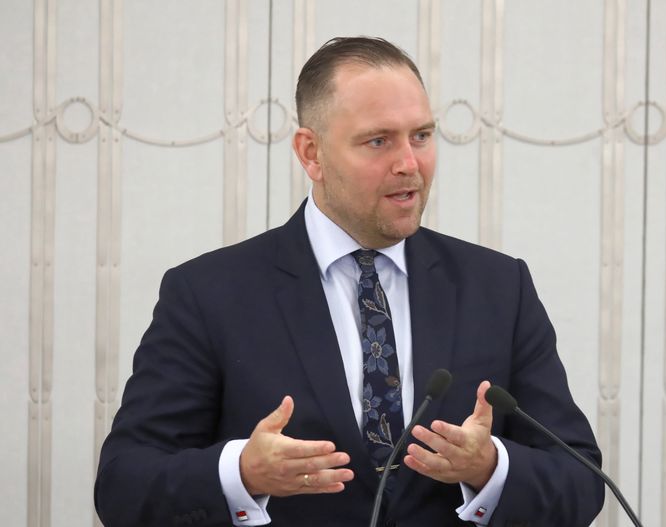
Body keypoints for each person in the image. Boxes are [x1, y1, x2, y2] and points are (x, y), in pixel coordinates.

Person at [94, 36, 604, 527]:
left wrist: (489, 468)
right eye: (378, 141)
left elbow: (581, 481)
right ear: (311, 153)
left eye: (421, 136)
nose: (409, 164)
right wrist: (242, 473)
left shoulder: (498, 288)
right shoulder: (208, 294)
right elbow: (123, 487)